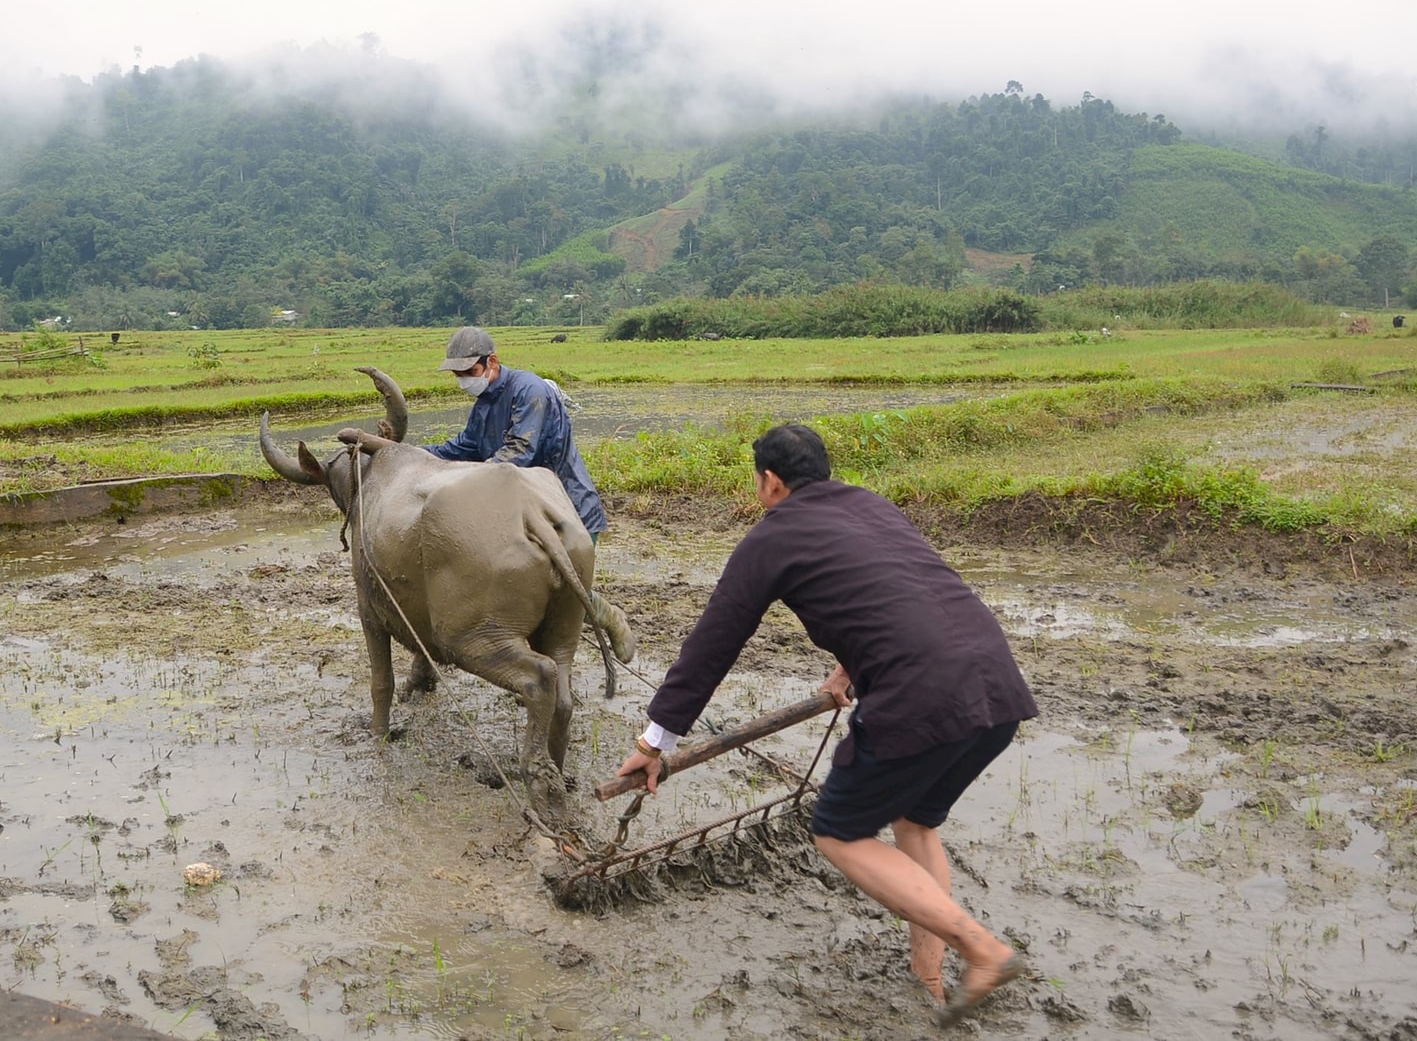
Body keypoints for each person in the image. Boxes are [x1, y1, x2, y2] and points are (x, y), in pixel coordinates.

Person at [615, 424, 1036, 1025]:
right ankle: (930, 976)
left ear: (770, 482)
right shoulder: (871, 504)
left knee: (838, 829)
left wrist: (654, 742)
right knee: (915, 823)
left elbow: (713, 645)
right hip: (995, 683)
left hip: (921, 695)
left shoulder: (771, 539)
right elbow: (898, 590)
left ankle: (984, 950)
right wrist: (846, 667)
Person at [425, 326, 634, 663]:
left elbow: (518, 452)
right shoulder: (483, 404)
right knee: (529, 587)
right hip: (521, 511)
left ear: (491, 362)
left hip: (566, 507)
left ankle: (609, 617)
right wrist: (415, 455)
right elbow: (464, 447)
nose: (464, 379)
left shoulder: (529, 391)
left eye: (469, 371)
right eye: (458, 374)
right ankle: (540, 667)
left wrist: (472, 484)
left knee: (565, 590)